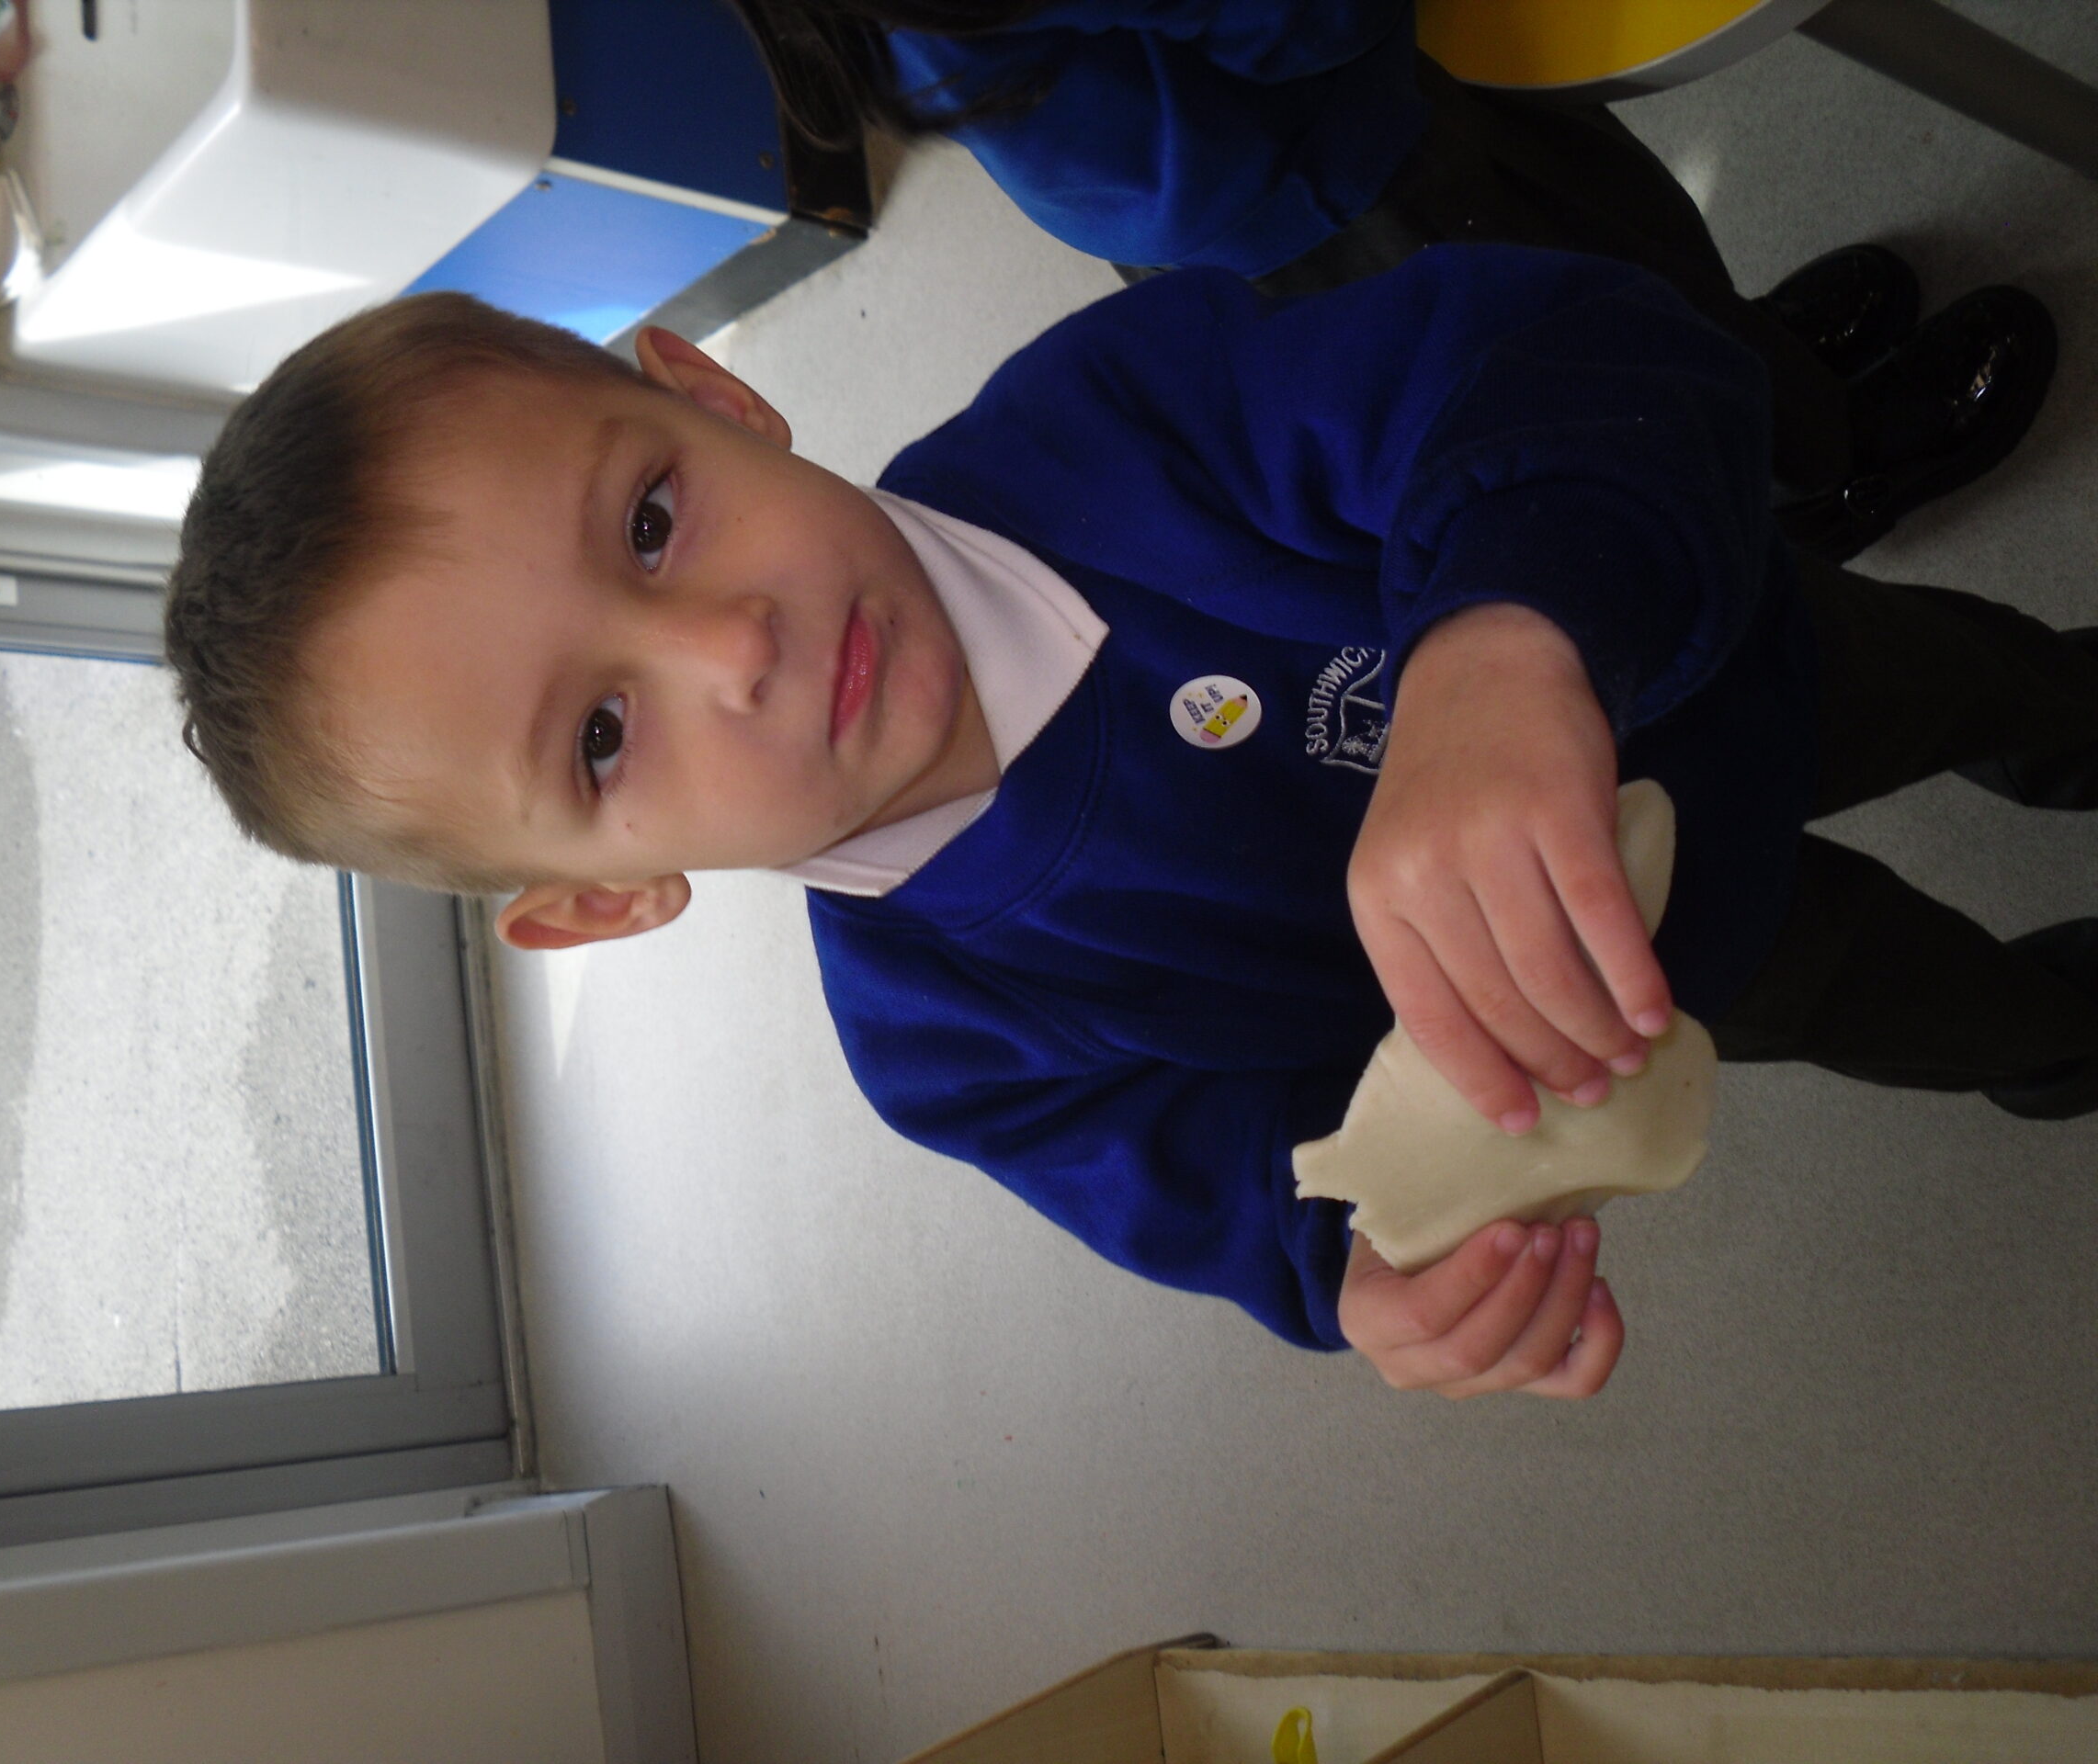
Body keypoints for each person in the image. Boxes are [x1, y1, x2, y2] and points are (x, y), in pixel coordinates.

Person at [164, 254, 2098, 1399]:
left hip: (1729, 638)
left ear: (711, 391)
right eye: (601, 737)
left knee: (1975, 680)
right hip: (1658, 979)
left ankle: (2062, 726)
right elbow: (1216, 1186)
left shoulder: (1119, 422)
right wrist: (1359, 1283)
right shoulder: (946, 1042)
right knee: (1909, 996)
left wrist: (1502, 639)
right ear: (600, 901)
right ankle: (2048, 1035)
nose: (731, 647)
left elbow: (1567, 352)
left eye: (652, 522)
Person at [728, 0, 2056, 557]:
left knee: (1629, 272)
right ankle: (1814, 477)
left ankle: (1761, 370)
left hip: (1212, 192)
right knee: (1605, 311)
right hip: (1341, 171)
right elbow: (1308, 21)